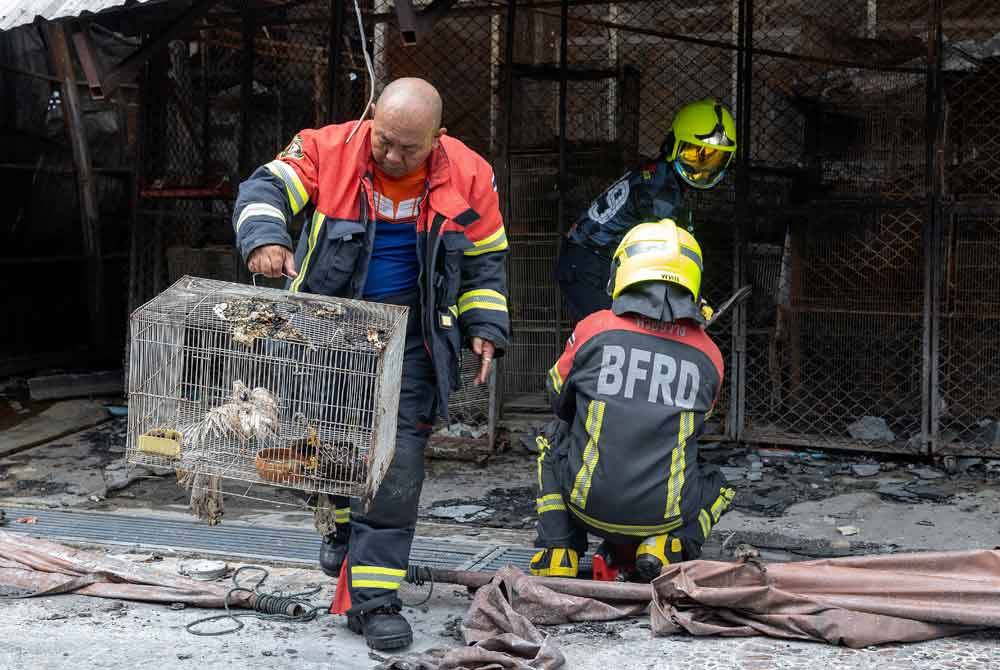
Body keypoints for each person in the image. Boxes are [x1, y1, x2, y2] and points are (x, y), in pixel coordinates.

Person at [232, 77, 510, 650]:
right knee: (331, 453)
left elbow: (486, 261)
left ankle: (375, 601)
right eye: (384, 139)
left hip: (413, 343)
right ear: (371, 118)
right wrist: (264, 237)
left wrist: (486, 326)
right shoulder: (325, 149)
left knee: (396, 465)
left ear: (439, 137)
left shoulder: (470, 174)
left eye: (408, 147)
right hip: (324, 337)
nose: (390, 155)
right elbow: (263, 189)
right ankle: (339, 528)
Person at [531, 219, 735, 583]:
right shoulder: (710, 355)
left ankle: (558, 550)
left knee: (552, 437)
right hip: (665, 513)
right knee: (719, 483)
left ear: (623, 268)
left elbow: (557, 398)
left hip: (585, 506)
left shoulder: (594, 328)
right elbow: (697, 425)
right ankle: (664, 547)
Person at [558, 99, 737, 321]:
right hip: (589, 264)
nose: (703, 170)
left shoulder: (659, 175)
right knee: (610, 334)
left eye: (714, 160)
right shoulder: (661, 191)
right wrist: (692, 302)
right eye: (694, 155)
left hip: (590, 260)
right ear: (673, 146)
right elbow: (664, 256)